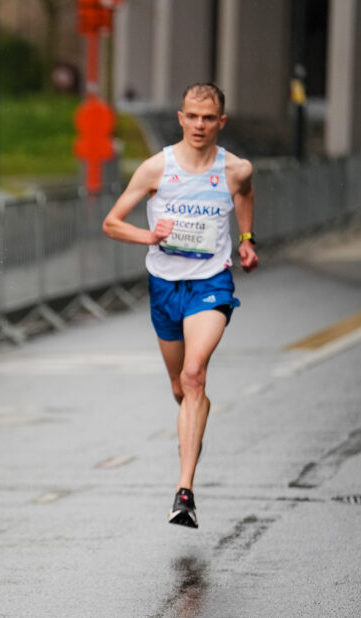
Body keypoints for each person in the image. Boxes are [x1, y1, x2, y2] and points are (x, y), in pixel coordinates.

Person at [102, 82, 258, 529]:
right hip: (165, 286)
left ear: (220, 123)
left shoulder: (236, 169)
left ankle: (184, 490)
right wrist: (149, 235)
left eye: (208, 118)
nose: (200, 125)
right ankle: (191, 426)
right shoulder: (157, 168)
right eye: (192, 116)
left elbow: (245, 194)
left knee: (195, 374)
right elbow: (112, 223)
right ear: (181, 117)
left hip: (211, 282)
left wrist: (246, 239)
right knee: (180, 387)